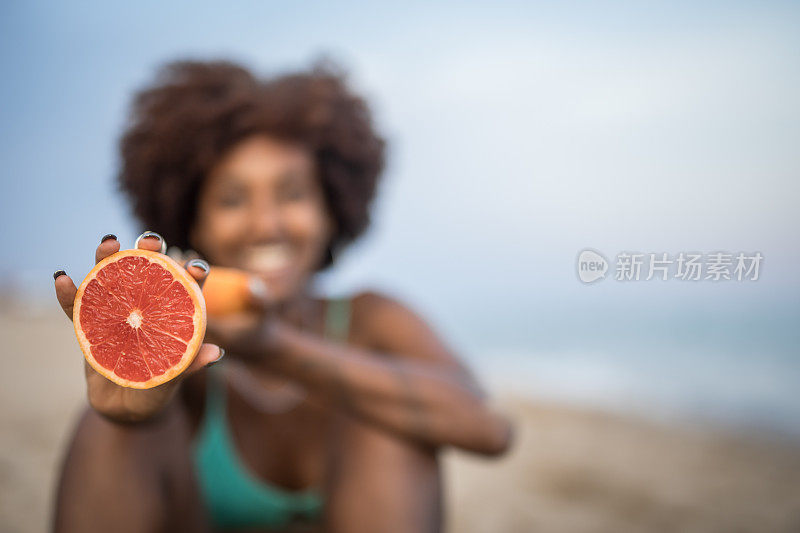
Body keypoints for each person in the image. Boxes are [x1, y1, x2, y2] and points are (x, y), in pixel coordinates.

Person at [52, 59, 512, 533]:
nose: (266, 224)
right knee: (108, 426)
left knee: (393, 418)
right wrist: (133, 414)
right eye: (232, 200)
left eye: (292, 194)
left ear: (332, 209)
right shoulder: (187, 355)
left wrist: (273, 347)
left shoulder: (373, 317)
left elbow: (491, 430)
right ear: (193, 221)